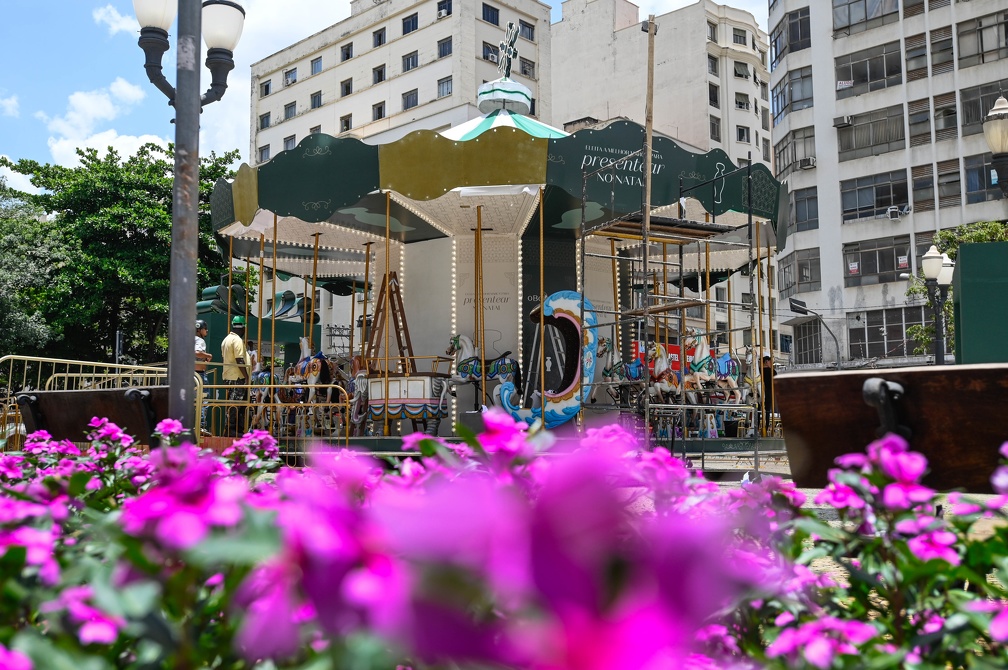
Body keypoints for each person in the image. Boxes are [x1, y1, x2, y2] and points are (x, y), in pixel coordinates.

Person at [221, 315, 251, 436]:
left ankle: (236, 429)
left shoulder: (226, 339)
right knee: (236, 403)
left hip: (229, 376)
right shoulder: (237, 340)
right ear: (243, 328)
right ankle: (231, 429)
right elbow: (239, 359)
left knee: (236, 403)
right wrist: (247, 377)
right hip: (237, 377)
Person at [195, 320, 213, 432]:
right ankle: (201, 427)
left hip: (189, 374)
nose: (207, 331)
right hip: (199, 375)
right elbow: (197, 352)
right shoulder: (200, 340)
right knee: (204, 400)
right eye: (205, 328)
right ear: (199, 329)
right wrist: (208, 355)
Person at [761, 354, 775, 436]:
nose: (771, 363)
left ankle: (757, 427)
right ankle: (765, 428)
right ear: (766, 362)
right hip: (769, 392)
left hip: (760, 393)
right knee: (767, 410)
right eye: (770, 362)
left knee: (758, 409)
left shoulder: (759, 371)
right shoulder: (772, 371)